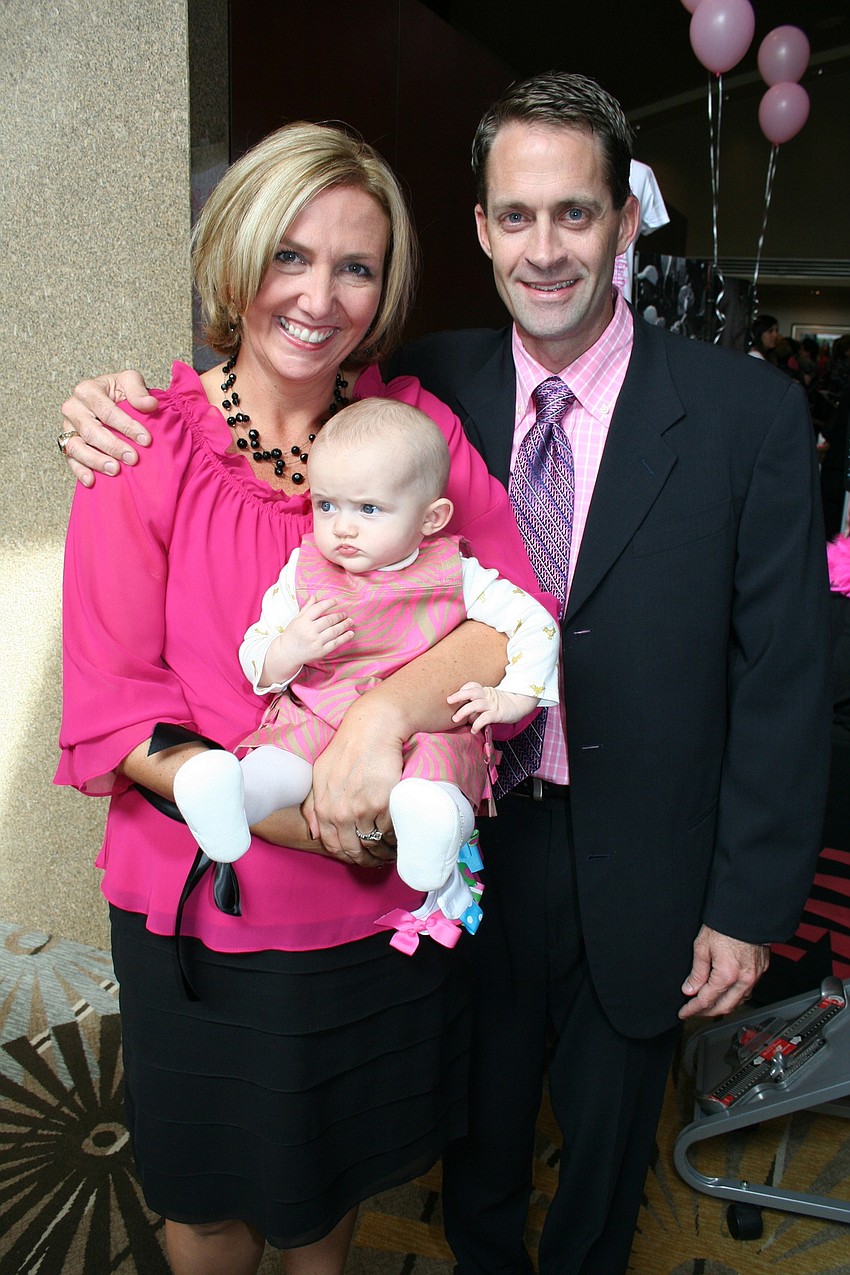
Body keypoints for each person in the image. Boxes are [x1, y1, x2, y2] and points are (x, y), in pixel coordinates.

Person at [58, 72, 832, 1275]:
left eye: (574, 214)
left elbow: (768, 673)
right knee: (427, 1144)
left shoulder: (710, 415)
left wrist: (745, 903)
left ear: (625, 221)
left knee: (523, 1166)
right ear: (477, 227)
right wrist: (104, 397)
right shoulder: (408, 391)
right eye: (513, 216)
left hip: (600, 854)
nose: (543, 248)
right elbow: (118, 698)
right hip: (421, 870)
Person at [54, 120, 549, 1275]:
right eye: (290, 254)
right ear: (235, 259)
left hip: (375, 914)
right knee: (213, 1205)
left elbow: (505, 631)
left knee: (330, 1195)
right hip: (210, 911)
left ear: (384, 293)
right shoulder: (143, 449)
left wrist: (378, 723)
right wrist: (309, 813)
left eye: (355, 267)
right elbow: (117, 712)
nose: (318, 296)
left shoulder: (415, 441)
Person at [172, 394, 559, 912]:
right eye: (326, 505)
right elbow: (257, 655)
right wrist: (291, 648)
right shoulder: (305, 570)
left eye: (368, 509)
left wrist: (515, 697)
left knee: (441, 768)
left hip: (425, 726)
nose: (342, 527)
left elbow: (532, 621)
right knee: (283, 755)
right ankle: (231, 796)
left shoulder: (455, 570)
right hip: (321, 713)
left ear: (431, 518)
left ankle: (432, 833)